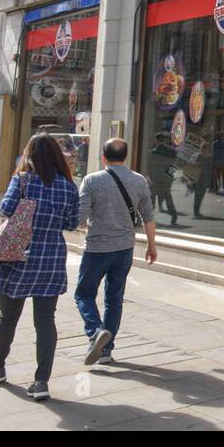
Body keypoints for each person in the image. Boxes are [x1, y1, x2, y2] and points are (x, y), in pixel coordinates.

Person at [0, 134, 81, 401]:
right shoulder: (69, 187)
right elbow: (72, 223)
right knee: (46, 321)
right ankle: (41, 382)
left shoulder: (23, 180)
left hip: (18, 256)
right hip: (51, 259)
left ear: (30, 155)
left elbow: (6, 209)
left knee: (8, 316)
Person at [75, 138, 157, 366]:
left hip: (97, 248)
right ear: (126, 157)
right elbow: (148, 217)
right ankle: (105, 351)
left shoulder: (91, 180)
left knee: (84, 293)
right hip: (124, 248)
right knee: (114, 298)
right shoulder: (139, 181)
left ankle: (95, 331)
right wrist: (152, 245)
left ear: (103, 157)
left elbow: (79, 219)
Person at [148, 132, 182, 225]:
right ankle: (173, 215)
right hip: (166, 179)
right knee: (168, 197)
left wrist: (151, 177)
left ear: (157, 140)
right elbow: (174, 166)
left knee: (152, 198)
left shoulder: (153, 152)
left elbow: (150, 167)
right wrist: (169, 178)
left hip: (156, 178)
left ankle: (149, 217)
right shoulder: (171, 152)